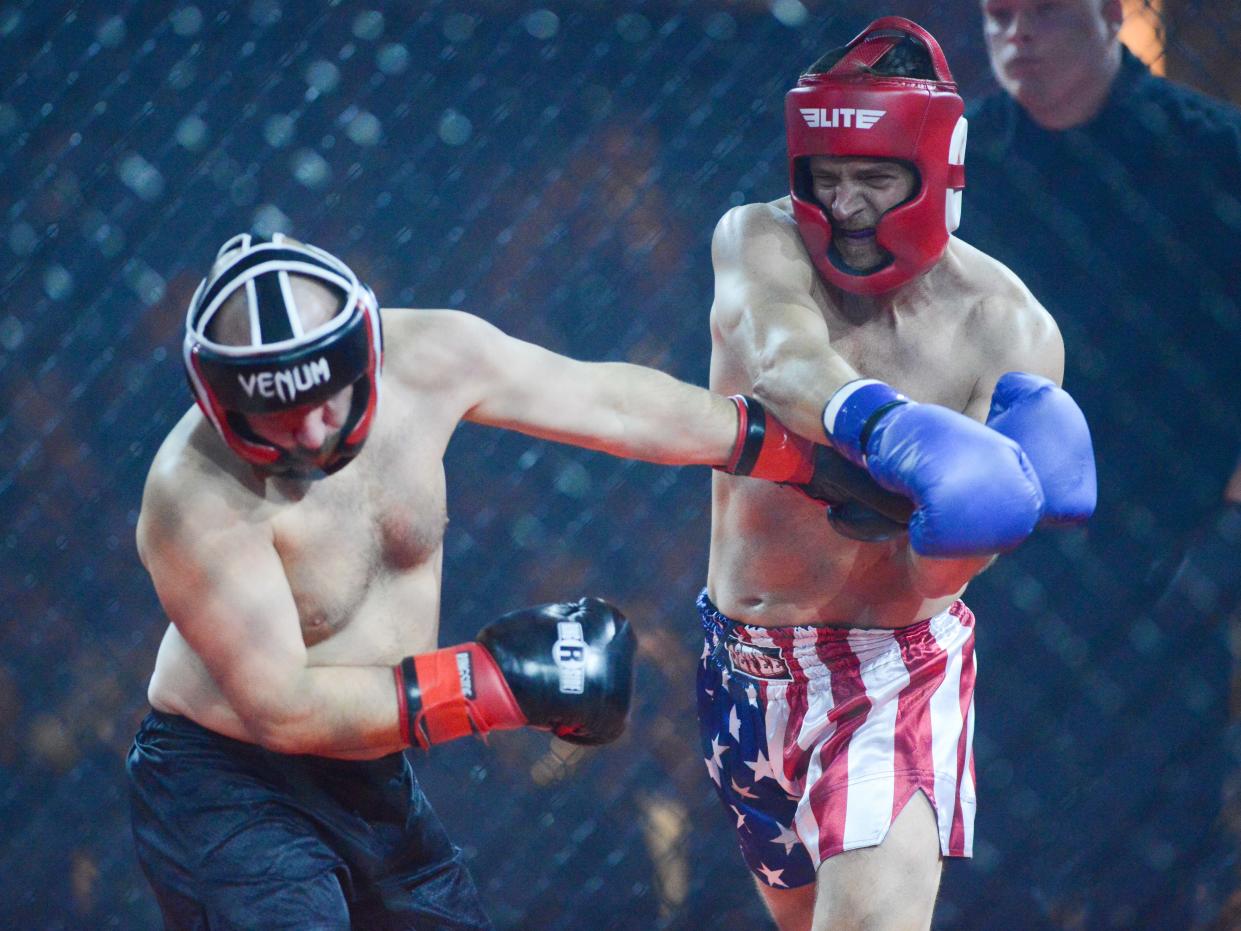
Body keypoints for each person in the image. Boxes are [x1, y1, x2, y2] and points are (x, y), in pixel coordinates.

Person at [125, 232, 765, 929]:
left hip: (373, 771)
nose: (310, 432)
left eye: (325, 399)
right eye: (278, 412)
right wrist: (492, 683)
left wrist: (788, 449)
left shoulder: (428, 357)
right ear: (224, 400)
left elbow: (609, 402)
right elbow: (282, 708)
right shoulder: (191, 494)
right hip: (229, 777)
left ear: (358, 354)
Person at [697, 17, 1096, 930]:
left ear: (937, 172)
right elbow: (778, 357)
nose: (843, 207)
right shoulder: (756, 240)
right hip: (739, 668)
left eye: (873, 178)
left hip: (889, 678)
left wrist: (958, 533)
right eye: (824, 179)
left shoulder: (1007, 332)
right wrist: (885, 433)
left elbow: (951, 560)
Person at [960, 0, 1241, 920]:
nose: (1016, 37)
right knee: (982, 857)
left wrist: (1225, 537)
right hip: (996, 563)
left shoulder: (1212, 154)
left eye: (1041, 13)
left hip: (1167, 562)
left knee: (1149, 872)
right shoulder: (959, 162)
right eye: (998, 15)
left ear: (1109, 15)